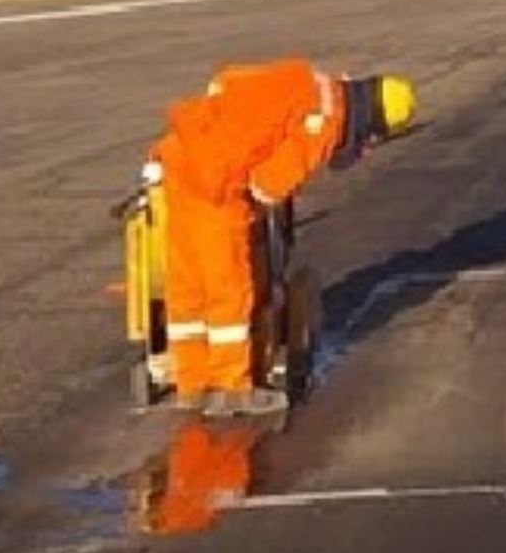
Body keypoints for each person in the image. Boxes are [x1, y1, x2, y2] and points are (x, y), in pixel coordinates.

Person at [150, 60, 416, 415]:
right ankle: (232, 388)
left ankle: (193, 384)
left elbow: (223, 81)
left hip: (180, 157)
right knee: (227, 287)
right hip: (218, 181)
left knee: (188, 284)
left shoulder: (314, 79)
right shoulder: (328, 121)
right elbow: (267, 185)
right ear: (372, 122)